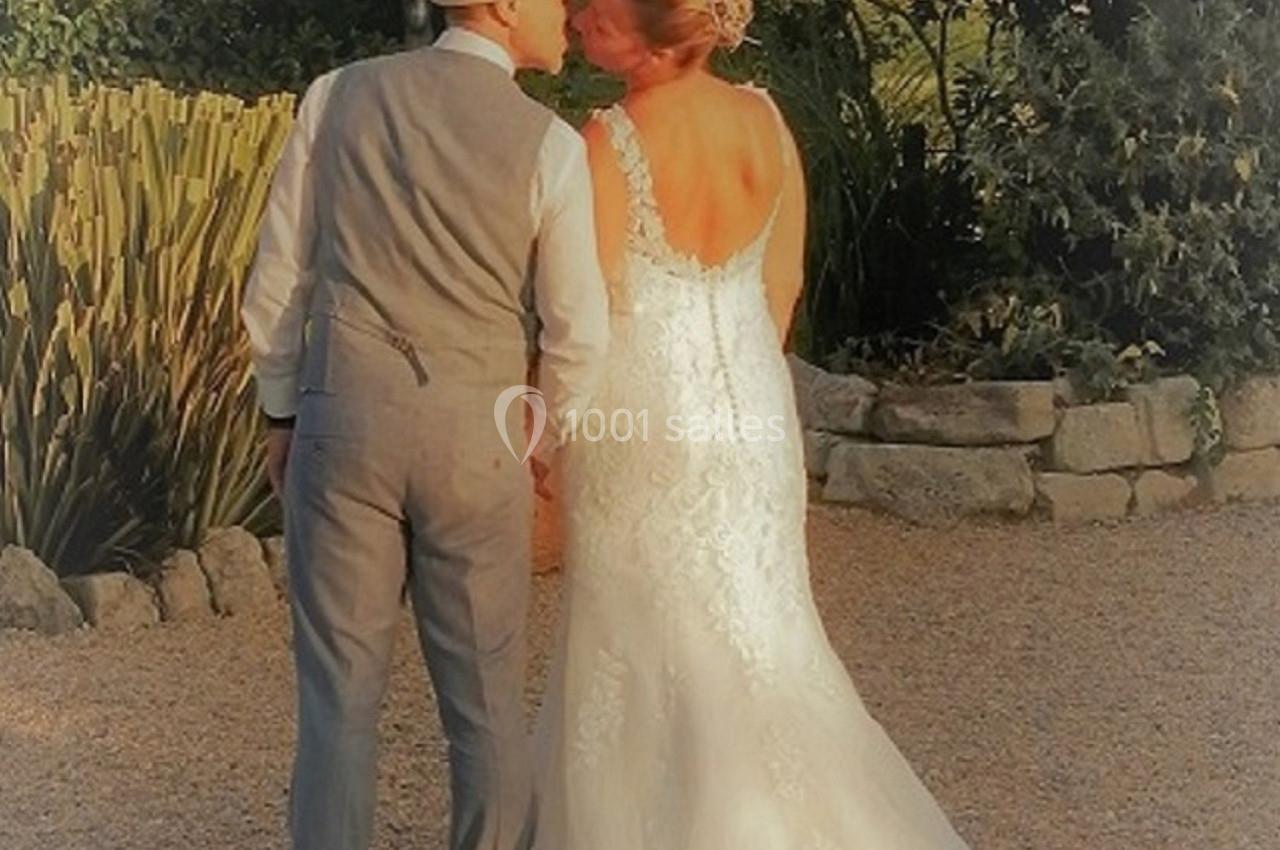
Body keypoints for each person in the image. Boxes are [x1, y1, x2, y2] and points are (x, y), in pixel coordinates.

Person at [530, 0, 972, 845]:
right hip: (751, 413)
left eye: (601, 8)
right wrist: (738, 392)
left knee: (638, 633)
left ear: (650, 30)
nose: (581, 16)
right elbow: (782, 285)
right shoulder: (767, 121)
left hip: (643, 414)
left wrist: (554, 428)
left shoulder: (608, 141)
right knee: (763, 625)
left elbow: (587, 312)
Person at [239, 0, 610, 845]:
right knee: (484, 705)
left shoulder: (336, 96)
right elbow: (577, 331)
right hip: (477, 438)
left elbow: (279, 280)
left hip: (345, 418)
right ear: (506, 6)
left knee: (338, 701)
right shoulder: (548, 144)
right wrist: (542, 438)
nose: (568, 14)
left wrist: (282, 408)